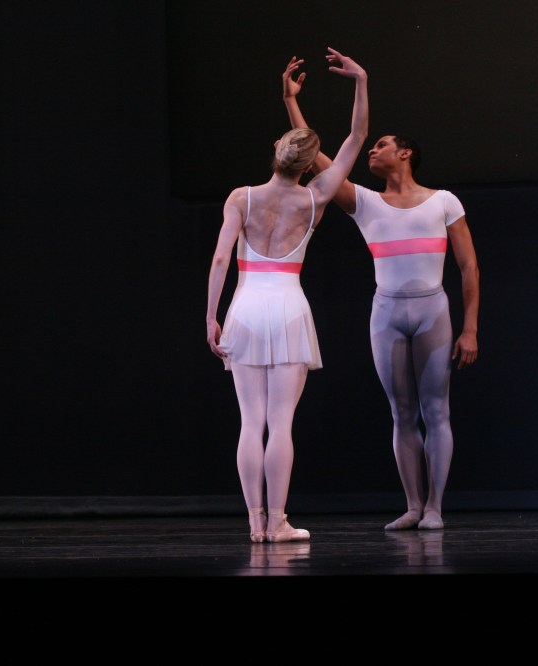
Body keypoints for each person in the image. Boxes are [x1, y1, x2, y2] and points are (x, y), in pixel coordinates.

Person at [281, 56, 479, 531]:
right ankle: (413, 505)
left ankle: (435, 509)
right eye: (372, 147)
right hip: (387, 312)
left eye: (383, 145)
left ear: (406, 153)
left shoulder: (444, 201)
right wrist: (291, 101)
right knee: (402, 412)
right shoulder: (363, 202)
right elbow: (315, 157)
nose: (373, 151)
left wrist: (470, 328)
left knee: (436, 408)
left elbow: (468, 264)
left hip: (433, 309)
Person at [206, 48, 369, 543]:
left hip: (248, 307)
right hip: (290, 308)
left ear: (276, 149)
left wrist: (211, 316)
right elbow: (356, 138)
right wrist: (361, 80)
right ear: (303, 160)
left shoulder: (242, 197)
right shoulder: (315, 197)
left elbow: (218, 261)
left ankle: (255, 522)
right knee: (280, 425)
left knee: (249, 422)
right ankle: (277, 521)